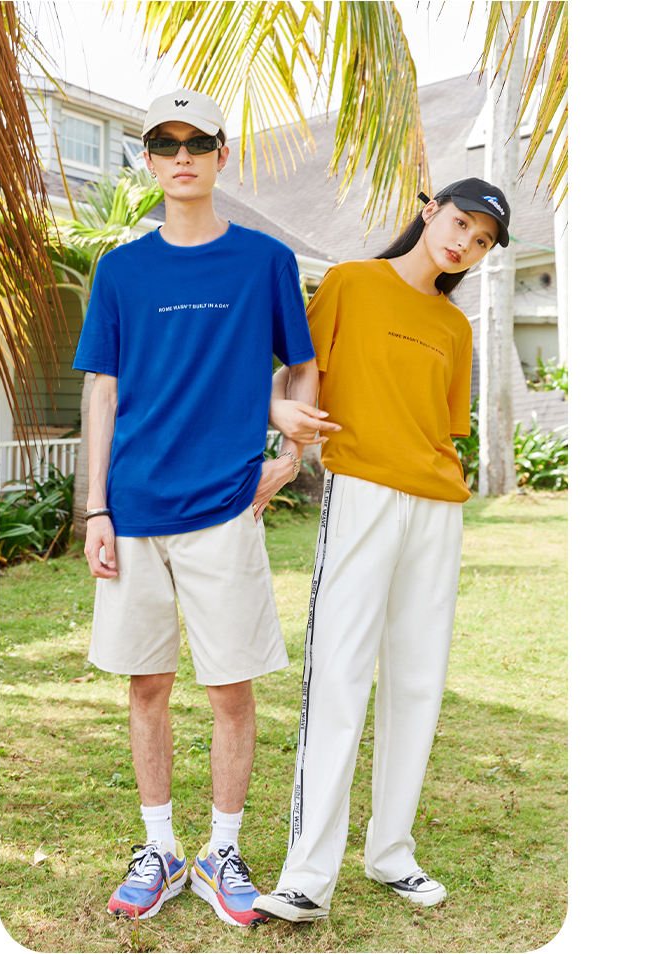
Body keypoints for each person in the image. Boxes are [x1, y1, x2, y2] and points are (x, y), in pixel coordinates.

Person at [72, 88, 334, 927]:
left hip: (224, 508)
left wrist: (289, 460)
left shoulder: (264, 261)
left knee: (230, 688)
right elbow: (104, 391)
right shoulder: (121, 270)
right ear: (147, 159)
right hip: (134, 510)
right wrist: (96, 510)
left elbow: (301, 364)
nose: (181, 156)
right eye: (165, 143)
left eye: (197, 142)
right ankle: (160, 849)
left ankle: (222, 852)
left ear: (223, 155)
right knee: (147, 684)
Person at [253, 178, 512, 921]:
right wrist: (285, 456)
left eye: (481, 241)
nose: (464, 243)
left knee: (418, 679)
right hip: (361, 493)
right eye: (460, 223)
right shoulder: (350, 283)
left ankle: (391, 852)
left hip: (438, 506)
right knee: (338, 672)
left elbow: (440, 427)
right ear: (431, 212)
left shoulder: (455, 327)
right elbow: (302, 377)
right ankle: (307, 877)